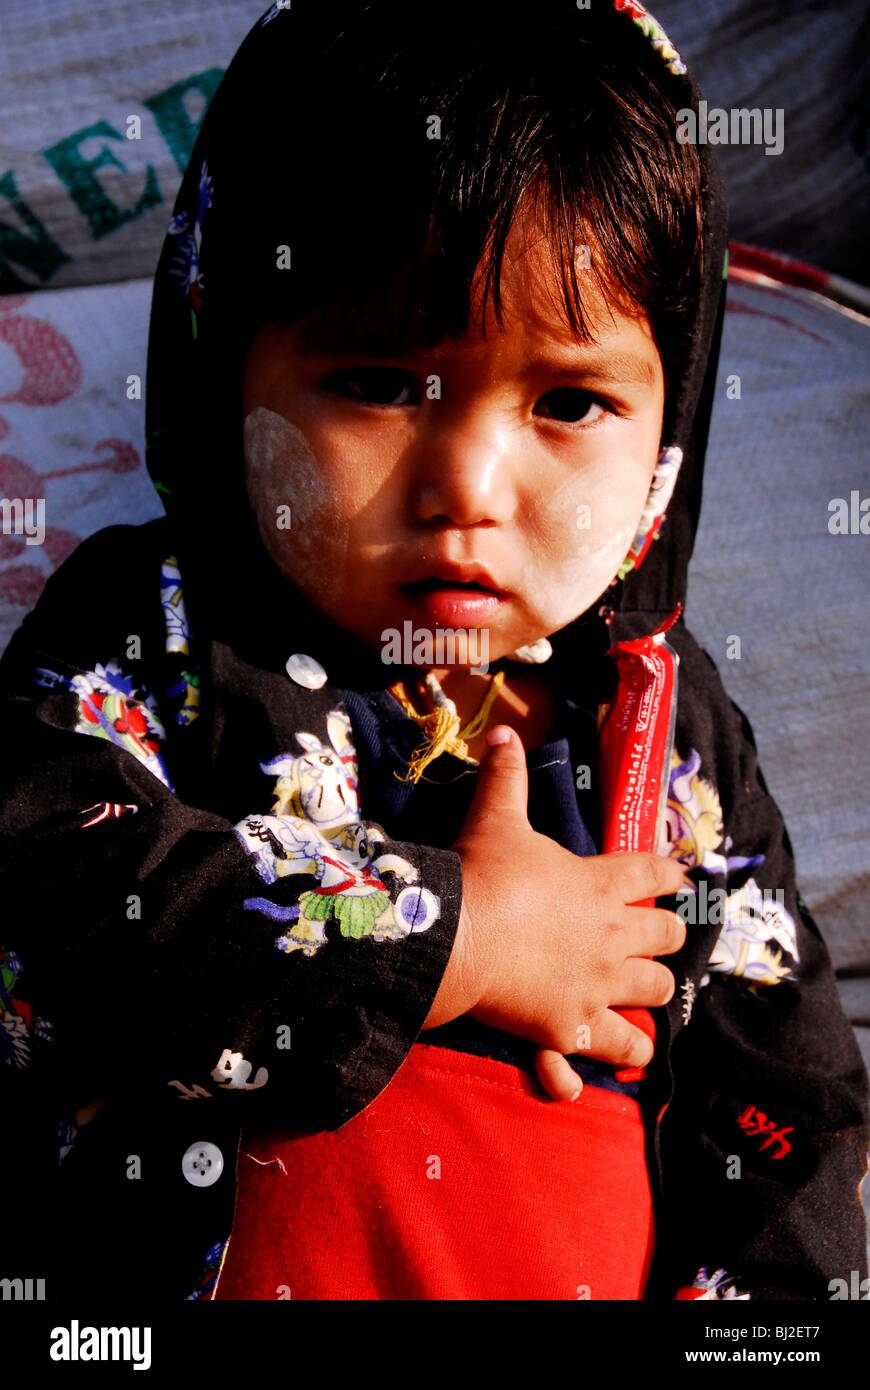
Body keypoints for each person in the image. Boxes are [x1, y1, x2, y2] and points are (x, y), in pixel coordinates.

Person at [1, 0, 867, 1302]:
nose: (468, 483)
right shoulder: (163, 635)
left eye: (568, 401)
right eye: (376, 382)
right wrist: (453, 937)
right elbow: (52, 901)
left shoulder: (664, 732)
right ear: (221, 365)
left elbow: (778, 1111)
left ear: (667, 429)